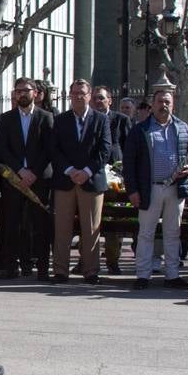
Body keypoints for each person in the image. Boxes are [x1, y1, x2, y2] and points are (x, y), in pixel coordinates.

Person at [123, 86, 188, 290]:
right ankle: (143, 275)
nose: (163, 105)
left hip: (175, 189)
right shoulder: (140, 130)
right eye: (160, 102)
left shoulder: (183, 128)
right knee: (146, 233)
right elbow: (129, 162)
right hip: (150, 189)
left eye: (167, 102)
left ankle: (172, 275)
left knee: (173, 233)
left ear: (172, 104)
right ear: (152, 105)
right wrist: (133, 190)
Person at [50, 79, 110, 285]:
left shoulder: (101, 119)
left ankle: (91, 270)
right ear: (69, 95)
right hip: (65, 181)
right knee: (62, 228)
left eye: (82, 93)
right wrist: (69, 170)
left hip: (91, 182)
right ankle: (60, 270)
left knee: (91, 229)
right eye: (74, 93)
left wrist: (86, 171)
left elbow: (105, 149)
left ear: (89, 94)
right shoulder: (60, 120)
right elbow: (54, 149)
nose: (78, 96)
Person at [0, 77, 52, 279]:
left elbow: (49, 149)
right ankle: (12, 266)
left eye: (25, 90)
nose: (22, 94)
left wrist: (33, 172)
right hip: (14, 179)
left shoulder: (46, 117)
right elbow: (2, 148)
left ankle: (43, 268)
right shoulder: (6, 118)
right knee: (13, 225)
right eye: (18, 91)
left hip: (39, 179)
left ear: (35, 93)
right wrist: (20, 170)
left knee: (40, 225)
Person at [90, 86, 132, 275]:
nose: (98, 101)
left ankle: (112, 260)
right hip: (92, 176)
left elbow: (129, 148)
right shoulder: (88, 119)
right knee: (90, 221)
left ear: (110, 100)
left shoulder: (121, 120)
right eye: (95, 98)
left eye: (102, 98)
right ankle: (86, 260)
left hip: (116, 178)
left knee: (114, 220)